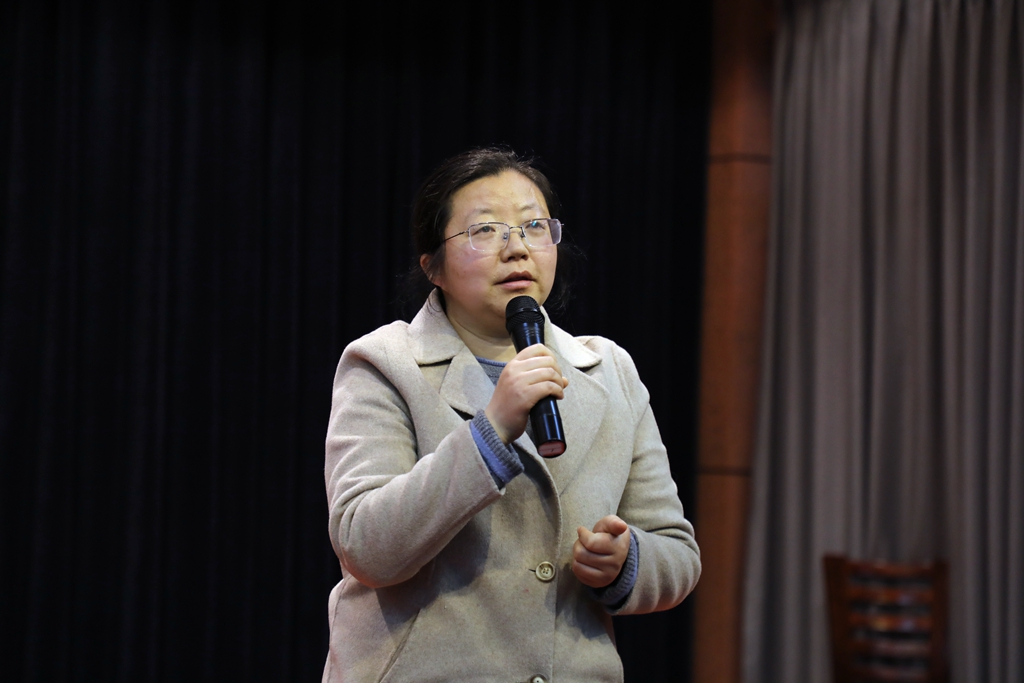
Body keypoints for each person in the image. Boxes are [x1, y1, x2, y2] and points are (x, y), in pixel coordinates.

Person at [323, 148, 700, 683]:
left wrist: (625, 561)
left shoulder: (610, 370)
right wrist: (489, 432)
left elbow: (678, 553)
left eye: (534, 227)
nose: (517, 247)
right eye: (485, 230)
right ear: (432, 265)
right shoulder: (385, 364)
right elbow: (367, 547)